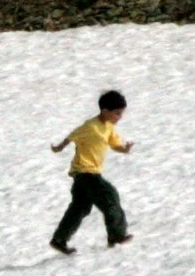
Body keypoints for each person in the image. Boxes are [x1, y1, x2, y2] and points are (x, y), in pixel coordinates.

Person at [49, 89, 136, 254]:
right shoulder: (90, 126)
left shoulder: (109, 127)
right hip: (85, 173)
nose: (120, 117)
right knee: (110, 196)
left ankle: (59, 239)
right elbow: (72, 136)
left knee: (80, 207)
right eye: (117, 113)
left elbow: (114, 143)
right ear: (105, 111)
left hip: (86, 174)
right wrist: (59, 147)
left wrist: (124, 149)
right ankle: (116, 236)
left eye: (121, 113)